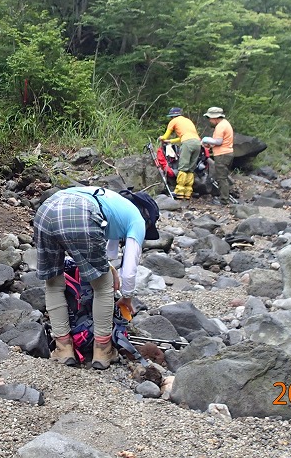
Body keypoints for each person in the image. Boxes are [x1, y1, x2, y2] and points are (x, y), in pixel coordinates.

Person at [34, 186, 145, 370]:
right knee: (102, 286)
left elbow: (103, 251)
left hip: (46, 210)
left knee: (54, 283)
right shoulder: (138, 220)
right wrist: (127, 296)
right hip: (81, 212)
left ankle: (63, 348)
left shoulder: (116, 206)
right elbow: (129, 269)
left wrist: (108, 267)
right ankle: (102, 350)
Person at [159, 107, 200, 200]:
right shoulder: (187, 121)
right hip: (197, 143)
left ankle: (179, 191)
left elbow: (165, 136)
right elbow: (182, 137)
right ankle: (188, 192)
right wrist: (170, 141)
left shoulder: (174, 121)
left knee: (183, 167)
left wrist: (162, 138)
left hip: (187, 144)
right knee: (191, 168)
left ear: (173, 116)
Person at [201, 106, 234, 205]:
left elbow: (219, 142)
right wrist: (210, 145)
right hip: (227, 153)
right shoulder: (225, 123)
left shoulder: (220, 126)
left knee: (221, 178)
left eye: (210, 118)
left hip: (222, 155)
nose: (209, 120)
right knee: (223, 176)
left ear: (215, 117)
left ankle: (224, 200)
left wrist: (206, 139)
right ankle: (225, 197)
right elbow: (220, 142)